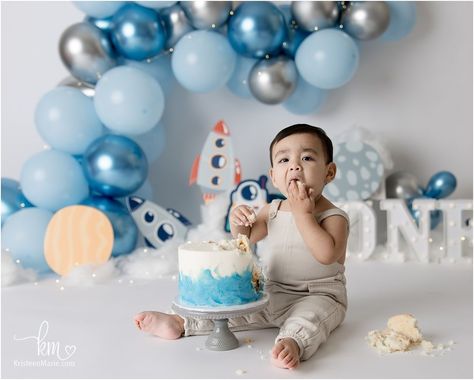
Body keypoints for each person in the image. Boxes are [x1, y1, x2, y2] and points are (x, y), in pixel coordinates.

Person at [134, 124, 350, 370]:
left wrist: (304, 214)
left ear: (329, 172)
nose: (295, 166)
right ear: (273, 176)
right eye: (284, 159)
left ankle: (292, 342)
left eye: (308, 157)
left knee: (310, 318)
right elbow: (244, 241)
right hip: (275, 289)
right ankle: (183, 322)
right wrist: (239, 222)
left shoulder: (334, 216)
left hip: (319, 294)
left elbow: (326, 255)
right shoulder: (273, 210)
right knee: (239, 310)